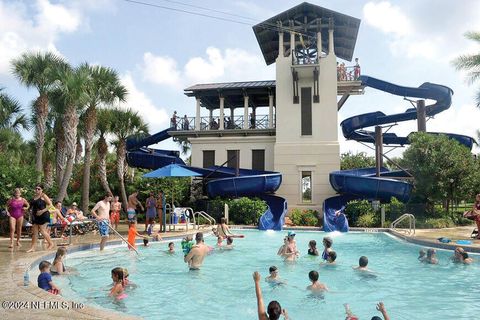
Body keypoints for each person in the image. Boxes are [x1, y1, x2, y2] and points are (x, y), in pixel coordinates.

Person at [27, 184, 54, 252]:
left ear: (42, 190)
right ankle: (33, 248)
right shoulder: (34, 197)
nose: (37, 190)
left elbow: (50, 205)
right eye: (36, 188)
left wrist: (42, 211)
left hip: (43, 215)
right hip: (35, 216)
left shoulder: (43, 196)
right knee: (34, 232)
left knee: (42, 231)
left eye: (39, 189)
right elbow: (31, 207)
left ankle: (51, 244)